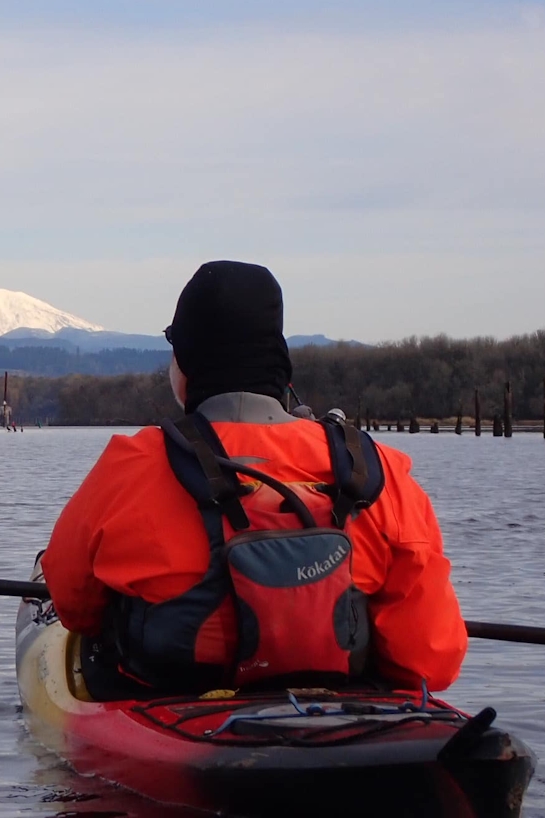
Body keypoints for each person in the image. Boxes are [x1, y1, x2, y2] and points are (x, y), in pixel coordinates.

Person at [41, 260, 466, 697]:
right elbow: (430, 662)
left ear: (186, 361)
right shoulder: (379, 470)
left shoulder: (131, 465)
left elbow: (74, 608)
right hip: (343, 723)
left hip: (172, 710)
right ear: (280, 364)